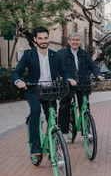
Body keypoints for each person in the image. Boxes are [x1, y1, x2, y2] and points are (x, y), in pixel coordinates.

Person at [13, 27, 77, 155]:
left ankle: (53, 144)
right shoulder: (28, 54)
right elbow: (17, 72)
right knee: (36, 110)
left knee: (52, 116)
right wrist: (18, 81)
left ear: (48, 38)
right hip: (34, 89)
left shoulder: (55, 55)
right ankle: (35, 144)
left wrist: (69, 78)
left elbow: (63, 71)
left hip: (50, 90)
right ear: (35, 39)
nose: (43, 41)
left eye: (46, 38)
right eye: (40, 38)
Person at [57, 32, 104, 135]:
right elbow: (56, 67)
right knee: (64, 106)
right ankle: (62, 132)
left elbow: (92, 65)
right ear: (69, 41)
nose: (75, 42)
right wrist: (59, 76)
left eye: (77, 40)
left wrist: (98, 74)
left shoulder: (84, 53)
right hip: (67, 84)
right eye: (73, 39)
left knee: (85, 105)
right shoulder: (61, 53)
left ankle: (86, 130)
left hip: (83, 83)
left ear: (80, 42)